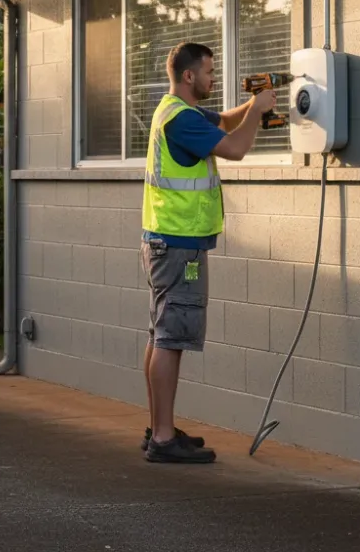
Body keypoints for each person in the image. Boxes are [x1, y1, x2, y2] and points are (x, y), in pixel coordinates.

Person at [141, 42, 277, 464]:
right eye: (208, 72)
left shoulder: (177, 110)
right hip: (178, 243)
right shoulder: (182, 122)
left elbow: (226, 121)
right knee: (170, 338)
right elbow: (235, 148)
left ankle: (158, 428)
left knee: (160, 335)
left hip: (169, 241)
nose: (212, 78)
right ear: (188, 77)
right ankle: (163, 439)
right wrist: (258, 113)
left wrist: (253, 104)